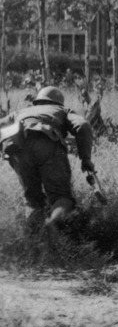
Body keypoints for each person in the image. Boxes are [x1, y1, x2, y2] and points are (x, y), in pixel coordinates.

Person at [0, 86, 96, 229]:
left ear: (37, 101)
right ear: (58, 102)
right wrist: (86, 159)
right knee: (61, 197)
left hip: (17, 149)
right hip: (46, 145)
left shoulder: (20, 112)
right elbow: (83, 125)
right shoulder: (62, 111)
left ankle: (35, 242)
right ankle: (51, 227)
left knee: (33, 200)